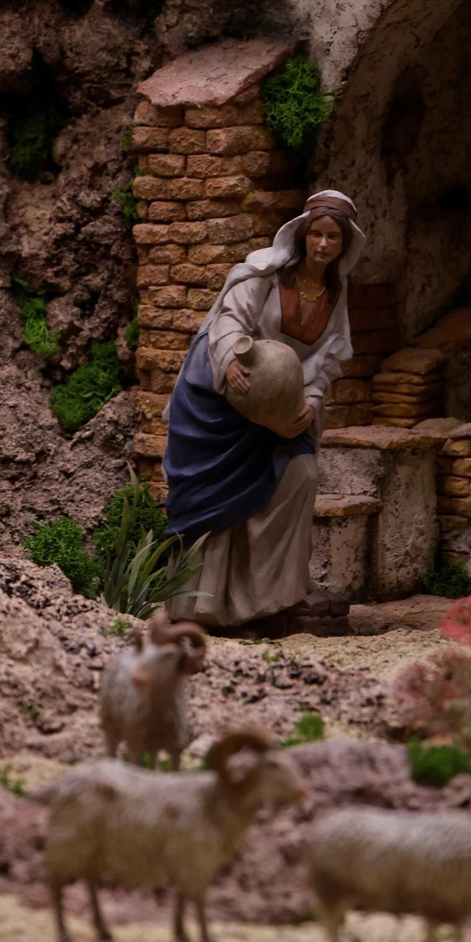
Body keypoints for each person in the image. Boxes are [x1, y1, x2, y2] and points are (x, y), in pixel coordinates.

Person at [162, 190, 365, 630]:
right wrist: (232, 359)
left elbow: (328, 357)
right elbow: (229, 321)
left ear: (344, 245)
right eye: (317, 233)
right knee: (218, 497)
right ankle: (203, 605)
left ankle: (275, 595)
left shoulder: (334, 293)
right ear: (303, 234)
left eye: (334, 237)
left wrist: (309, 401)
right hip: (224, 396)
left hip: (283, 406)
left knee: (300, 476)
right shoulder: (265, 273)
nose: (324, 244)